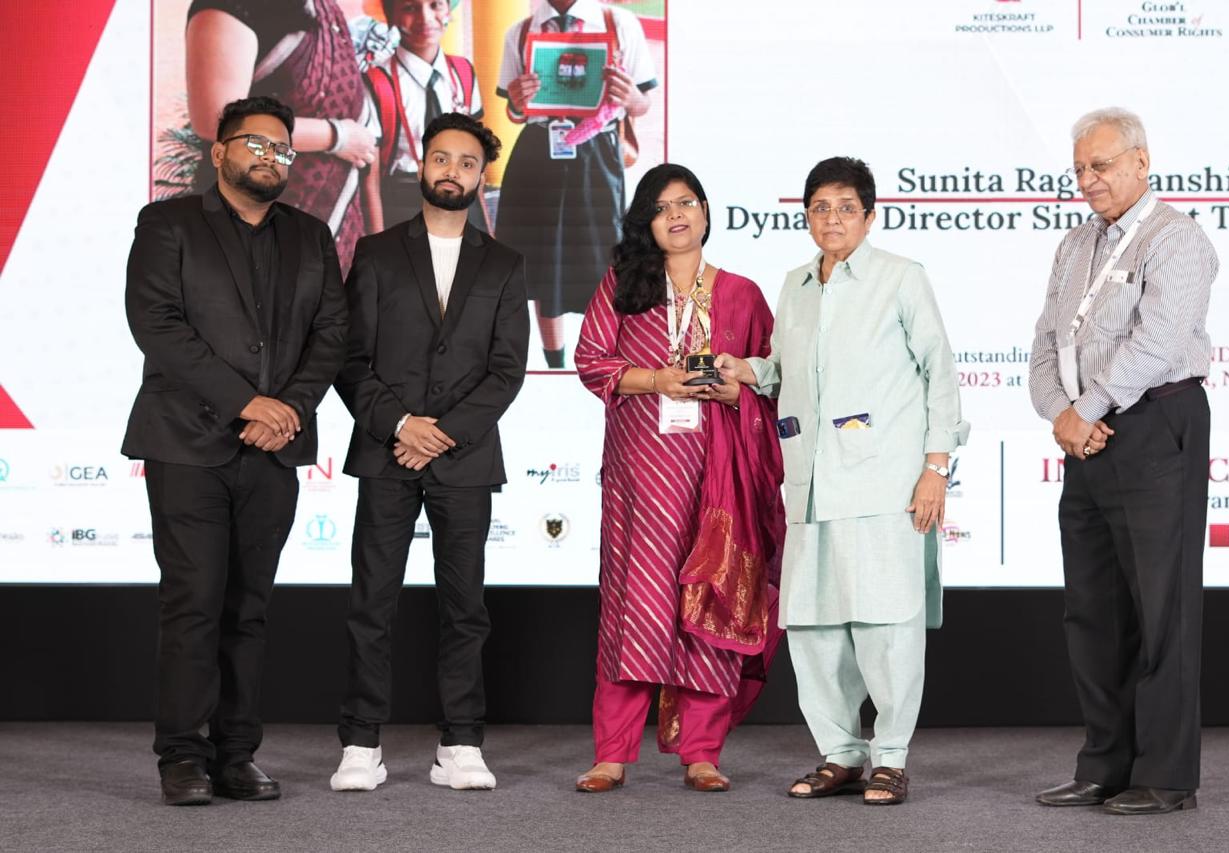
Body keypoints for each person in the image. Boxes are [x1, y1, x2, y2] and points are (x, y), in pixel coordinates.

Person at [717, 157, 969, 805]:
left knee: (887, 624)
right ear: (806, 215)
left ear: (870, 215)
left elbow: (939, 373)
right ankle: (840, 753)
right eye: (820, 208)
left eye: (846, 208)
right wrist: (746, 370)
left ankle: (891, 757)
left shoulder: (901, 278)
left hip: (885, 483)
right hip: (810, 483)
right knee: (813, 627)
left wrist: (936, 467)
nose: (832, 219)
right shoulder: (796, 284)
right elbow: (783, 368)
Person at [122, 96, 348, 806]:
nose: (271, 157)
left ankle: (236, 753)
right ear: (219, 152)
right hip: (187, 444)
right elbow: (156, 323)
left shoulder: (311, 236)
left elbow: (332, 336)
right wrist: (247, 402)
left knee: (249, 608)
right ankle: (182, 755)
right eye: (256, 143)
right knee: (193, 603)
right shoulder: (168, 224)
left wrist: (289, 409)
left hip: (273, 451)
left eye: (283, 148)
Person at [330, 113, 529, 793]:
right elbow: (349, 359)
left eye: (467, 162)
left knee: (465, 606)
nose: (452, 171)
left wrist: (439, 432)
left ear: (480, 176)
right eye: (442, 158)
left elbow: (506, 370)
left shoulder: (504, 263)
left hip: (463, 458)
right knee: (371, 602)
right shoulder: (378, 252)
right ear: (423, 164)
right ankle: (361, 741)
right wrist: (400, 425)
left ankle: (461, 742)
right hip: (386, 453)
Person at [573, 163, 786, 794]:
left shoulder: (742, 294)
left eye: (687, 202)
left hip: (721, 476)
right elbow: (590, 360)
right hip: (643, 476)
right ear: (647, 222)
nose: (677, 215)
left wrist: (738, 389)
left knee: (714, 598)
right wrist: (656, 379)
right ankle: (612, 754)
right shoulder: (624, 285)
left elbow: (774, 377)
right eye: (662, 207)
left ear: (705, 211)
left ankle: (702, 752)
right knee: (634, 606)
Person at [1029, 108, 1217, 816]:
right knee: (1093, 610)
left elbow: (1159, 341)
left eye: (1101, 165)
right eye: (1080, 168)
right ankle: (1104, 764)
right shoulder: (1076, 241)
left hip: (1154, 421)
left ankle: (1166, 775)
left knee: (1163, 609)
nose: (1089, 179)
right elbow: (1046, 339)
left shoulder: (1177, 238)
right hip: (1086, 434)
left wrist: (1091, 406)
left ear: (1141, 161)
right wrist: (1061, 413)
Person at [496, 0, 658, 368]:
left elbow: (642, 104)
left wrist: (631, 96)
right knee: (543, 261)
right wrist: (518, 103)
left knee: (604, 258)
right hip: (538, 151)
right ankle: (555, 364)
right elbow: (514, 112)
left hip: (597, 153)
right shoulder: (519, 32)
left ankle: (601, 362)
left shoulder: (619, 24)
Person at [186, 0, 380, 272]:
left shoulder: (323, 9)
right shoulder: (228, 7)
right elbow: (216, 121)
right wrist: (336, 137)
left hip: (333, 232)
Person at [366, 0, 488, 231]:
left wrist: (485, 230)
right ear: (391, 16)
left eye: (435, 4)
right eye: (409, 8)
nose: (425, 18)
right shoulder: (377, 83)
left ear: (448, 10)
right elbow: (370, 182)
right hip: (405, 204)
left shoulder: (463, 72)